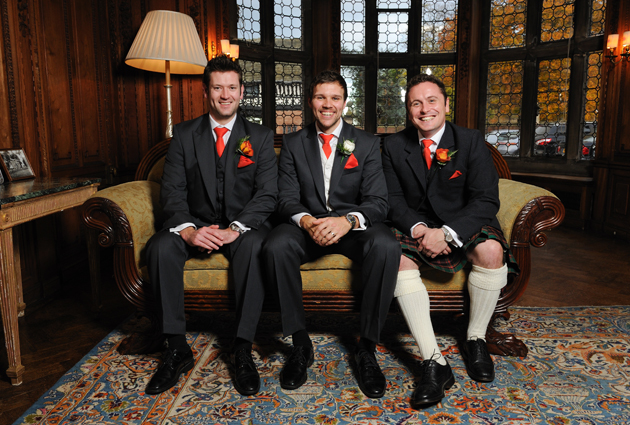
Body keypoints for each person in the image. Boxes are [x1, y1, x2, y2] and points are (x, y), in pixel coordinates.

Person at [381, 73, 519, 407]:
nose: (424, 109)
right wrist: (419, 230)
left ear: (445, 105)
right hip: (416, 225)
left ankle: (475, 339)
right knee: (396, 258)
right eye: (416, 103)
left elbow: (486, 200)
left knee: (490, 250)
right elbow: (392, 200)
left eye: (431, 101)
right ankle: (434, 361)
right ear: (408, 110)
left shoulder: (470, 141)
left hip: (463, 223)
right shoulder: (393, 145)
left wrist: (448, 232)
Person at [144, 55, 278, 396]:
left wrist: (237, 228)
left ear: (241, 91)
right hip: (196, 223)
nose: (225, 94)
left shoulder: (260, 137)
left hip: (240, 226)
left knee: (253, 245)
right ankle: (175, 347)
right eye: (217, 87)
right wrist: (188, 229)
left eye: (232, 87)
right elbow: (171, 191)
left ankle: (242, 347)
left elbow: (267, 194)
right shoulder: (185, 134)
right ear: (206, 91)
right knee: (160, 246)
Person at [262, 70, 401, 399]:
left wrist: (348, 221)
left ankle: (366, 347)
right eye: (321, 97)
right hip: (308, 226)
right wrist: (308, 221)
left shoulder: (366, 143)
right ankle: (299, 343)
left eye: (334, 98)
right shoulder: (293, 142)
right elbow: (285, 199)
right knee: (276, 245)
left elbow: (378, 202)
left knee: (385, 245)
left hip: (351, 227)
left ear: (344, 102)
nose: (328, 104)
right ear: (311, 102)